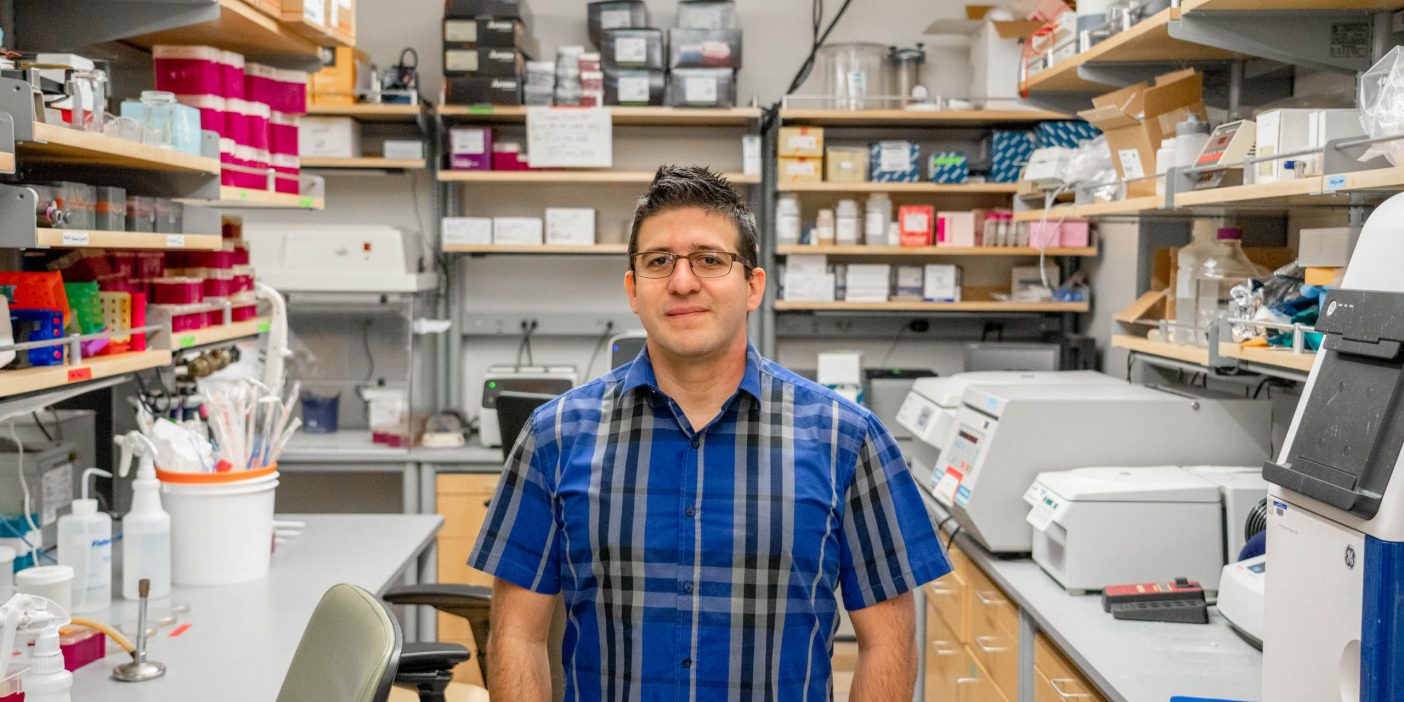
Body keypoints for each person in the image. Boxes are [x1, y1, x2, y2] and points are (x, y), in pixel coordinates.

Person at [469, 165, 950, 702]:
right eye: (658, 262)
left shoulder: (847, 440)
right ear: (633, 289)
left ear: (753, 286)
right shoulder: (554, 437)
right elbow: (516, 636)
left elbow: (889, 644)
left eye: (710, 259)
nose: (682, 281)